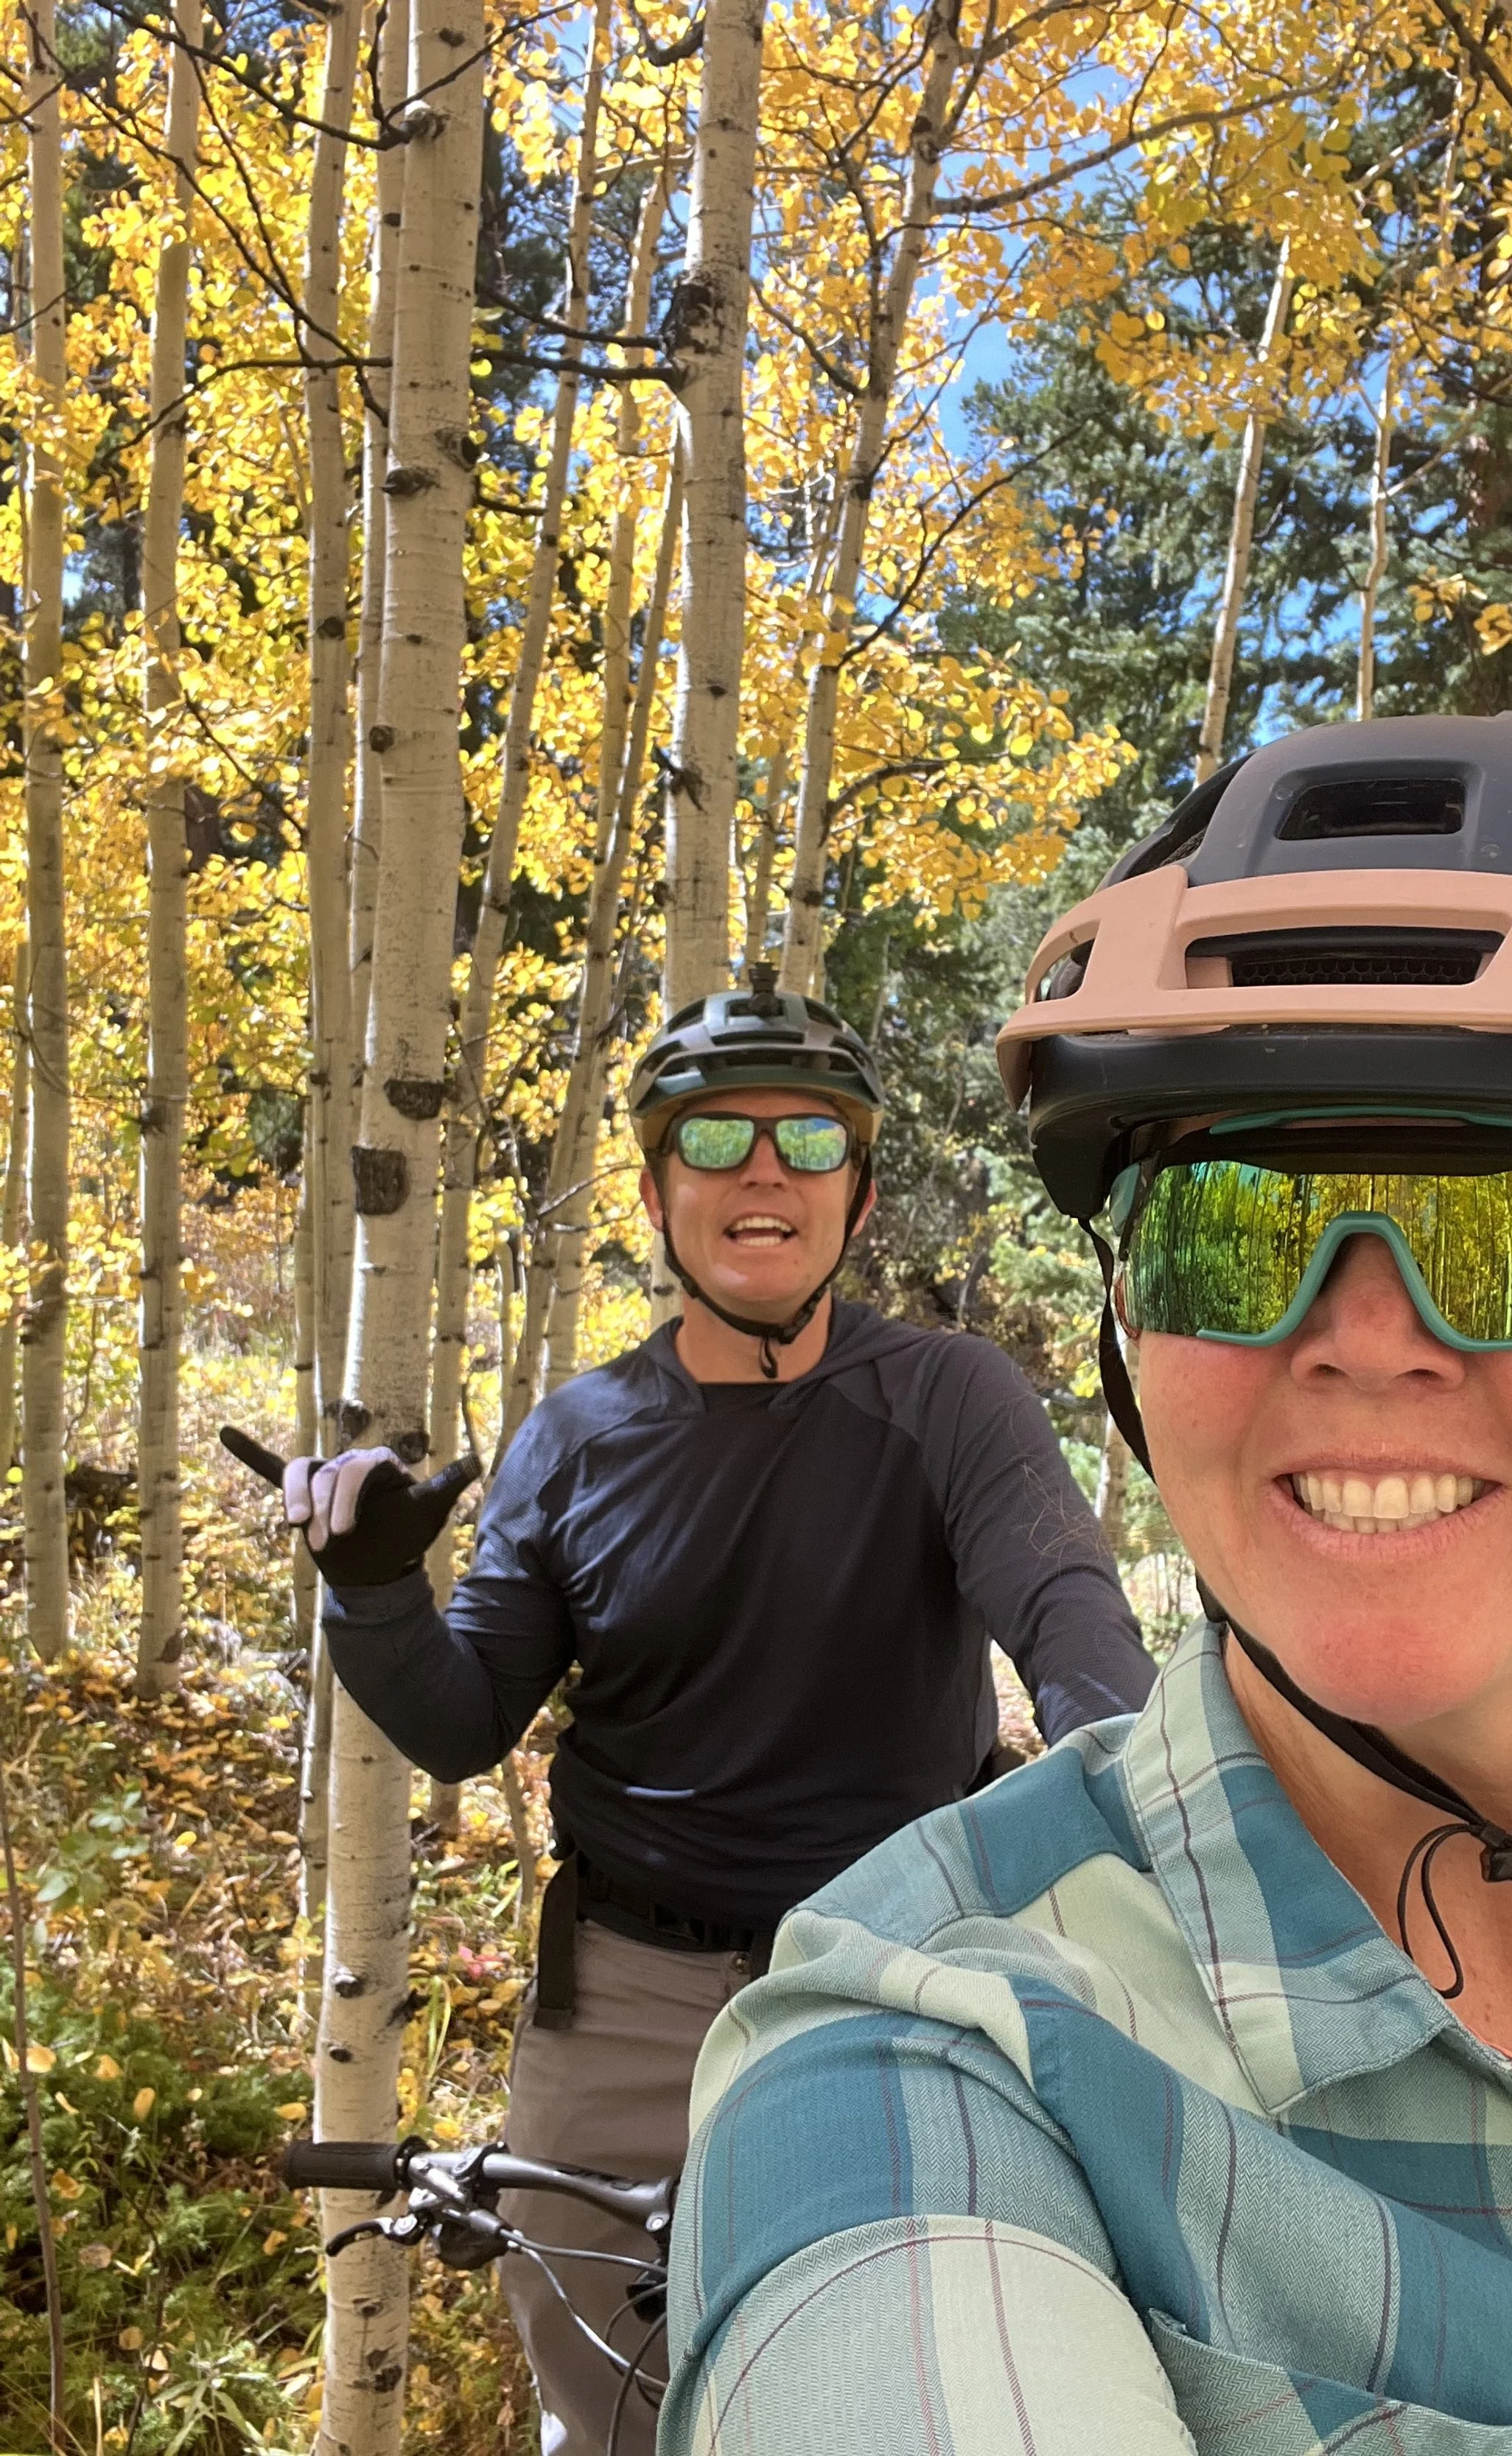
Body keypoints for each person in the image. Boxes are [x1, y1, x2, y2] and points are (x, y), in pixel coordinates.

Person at [660, 713, 1512, 2456]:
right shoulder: (931, 2056)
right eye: (1228, 1224)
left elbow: (1050, 1588)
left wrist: (1081, 1707)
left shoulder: (940, 1396)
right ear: (1137, 1355)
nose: (1363, 1343)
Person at [247, 967, 1155, 2455]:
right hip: (622, 2000)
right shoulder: (575, 1438)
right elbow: (465, 1718)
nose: (761, 1175)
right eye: (716, 1141)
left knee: (890, 2392)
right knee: (599, 2398)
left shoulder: (948, 1401)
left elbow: (1064, 1613)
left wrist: (1140, 1796)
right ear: (658, 1189)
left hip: (891, 1977)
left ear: (858, 1199)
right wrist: (374, 1592)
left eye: (806, 1143)